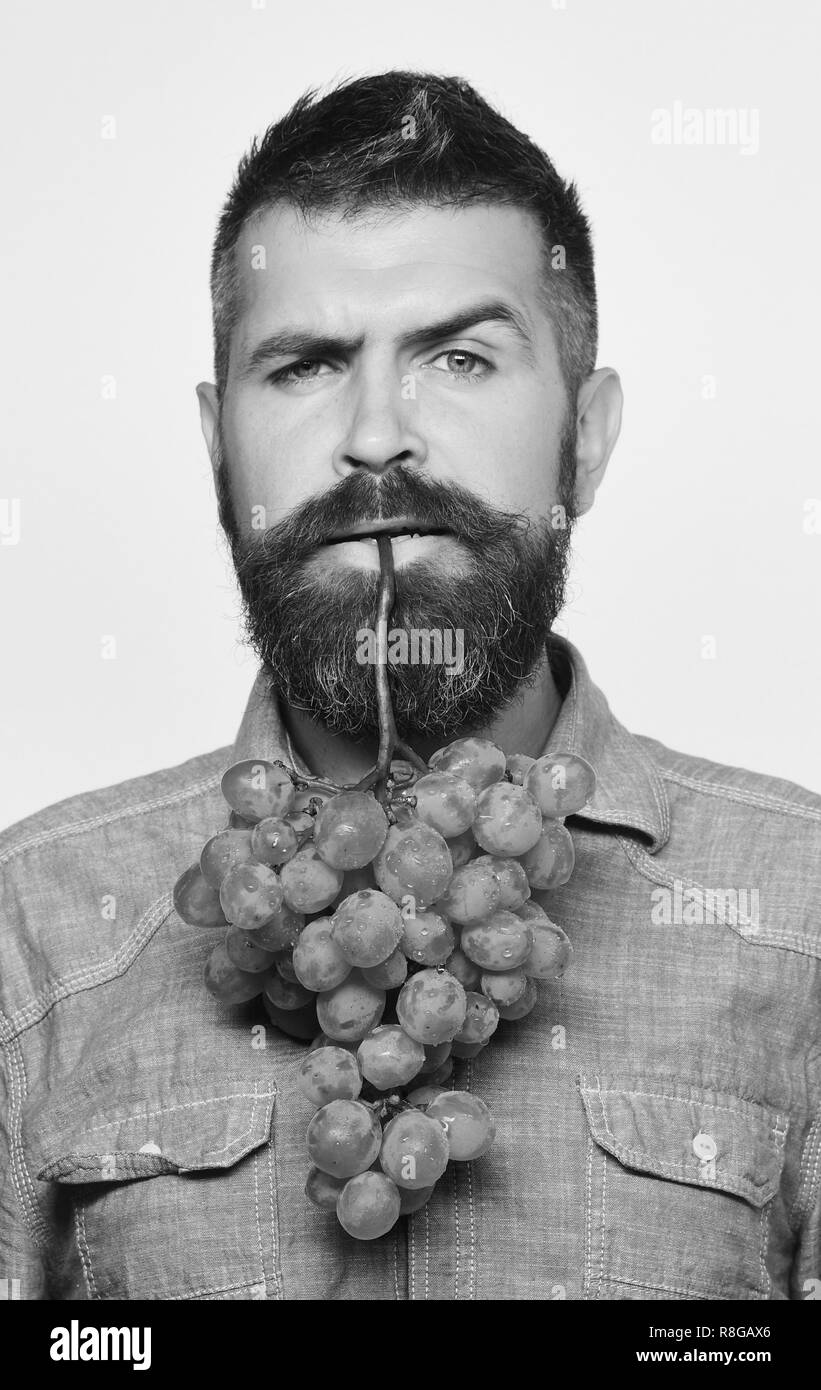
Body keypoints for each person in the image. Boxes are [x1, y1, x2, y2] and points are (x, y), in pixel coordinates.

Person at [1, 71, 818, 1303]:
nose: (378, 435)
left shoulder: (798, 919)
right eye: (306, 365)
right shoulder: (30, 930)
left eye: (459, 357)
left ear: (584, 438)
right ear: (216, 447)